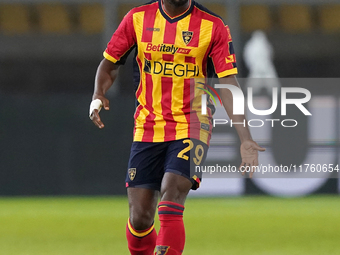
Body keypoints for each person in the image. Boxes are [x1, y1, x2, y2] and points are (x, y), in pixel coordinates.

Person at [89, 0, 265, 254]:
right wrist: (98, 93)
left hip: (193, 123)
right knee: (140, 217)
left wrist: (245, 137)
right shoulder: (137, 18)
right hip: (148, 124)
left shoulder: (213, 26)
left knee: (171, 193)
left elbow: (228, 83)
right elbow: (109, 63)